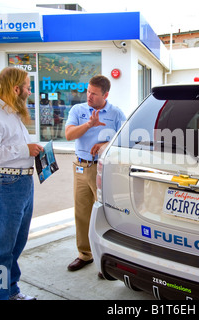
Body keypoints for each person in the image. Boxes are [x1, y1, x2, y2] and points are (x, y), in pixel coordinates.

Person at [0, 67, 44, 300]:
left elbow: (11, 150)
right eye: (27, 86)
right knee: (0, 250)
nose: (30, 91)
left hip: (20, 184)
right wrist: (24, 149)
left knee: (14, 246)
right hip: (3, 185)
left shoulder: (12, 114)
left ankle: (10, 291)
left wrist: (32, 151)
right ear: (16, 89)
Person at [65, 75, 126, 273]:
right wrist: (89, 125)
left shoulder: (116, 113)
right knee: (81, 213)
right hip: (81, 167)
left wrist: (106, 145)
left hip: (104, 169)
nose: (89, 96)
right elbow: (69, 135)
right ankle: (85, 255)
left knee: (107, 214)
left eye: (94, 93)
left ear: (106, 94)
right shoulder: (78, 110)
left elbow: (124, 138)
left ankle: (106, 259)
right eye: (88, 91)